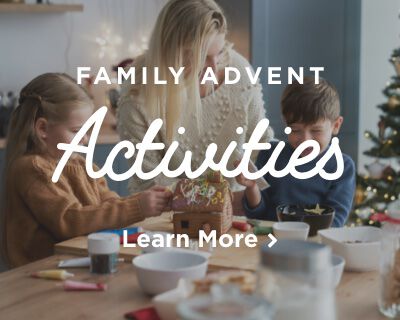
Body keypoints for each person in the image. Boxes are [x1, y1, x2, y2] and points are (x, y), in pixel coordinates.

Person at [1, 73, 171, 268]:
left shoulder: (82, 165)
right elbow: (70, 220)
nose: (85, 139)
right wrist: (137, 207)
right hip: (41, 273)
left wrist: (144, 201)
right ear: (42, 129)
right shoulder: (31, 169)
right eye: (76, 131)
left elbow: (108, 201)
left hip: (79, 263)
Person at [117, 0, 273, 194]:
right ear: (171, 52)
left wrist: (250, 192)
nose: (214, 68)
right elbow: (150, 182)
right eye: (202, 57)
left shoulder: (239, 71)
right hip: (165, 218)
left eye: (220, 52)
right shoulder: (137, 93)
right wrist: (216, 200)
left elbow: (262, 142)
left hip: (236, 211)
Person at [236, 77, 355, 227]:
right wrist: (252, 187)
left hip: (314, 243)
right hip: (271, 240)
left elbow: (334, 222)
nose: (305, 139)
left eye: (316, 130)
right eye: (295, 130)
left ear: (336, 125)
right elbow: (257, 213)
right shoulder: (271, 154)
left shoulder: (342, 166)